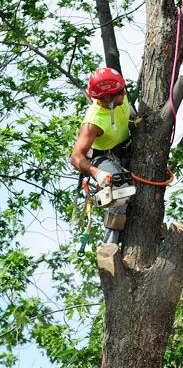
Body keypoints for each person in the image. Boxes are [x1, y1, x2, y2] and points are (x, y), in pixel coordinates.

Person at [70, 67, 136, 245]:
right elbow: (75, 157)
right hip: (102, 157)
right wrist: (96, 173)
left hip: (125, 149)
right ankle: (109, 246)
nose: (124, 93)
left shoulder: (120, 97)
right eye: (120, 92)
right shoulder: (94, 121)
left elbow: (126, 112)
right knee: (121, 194)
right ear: (107, 97)